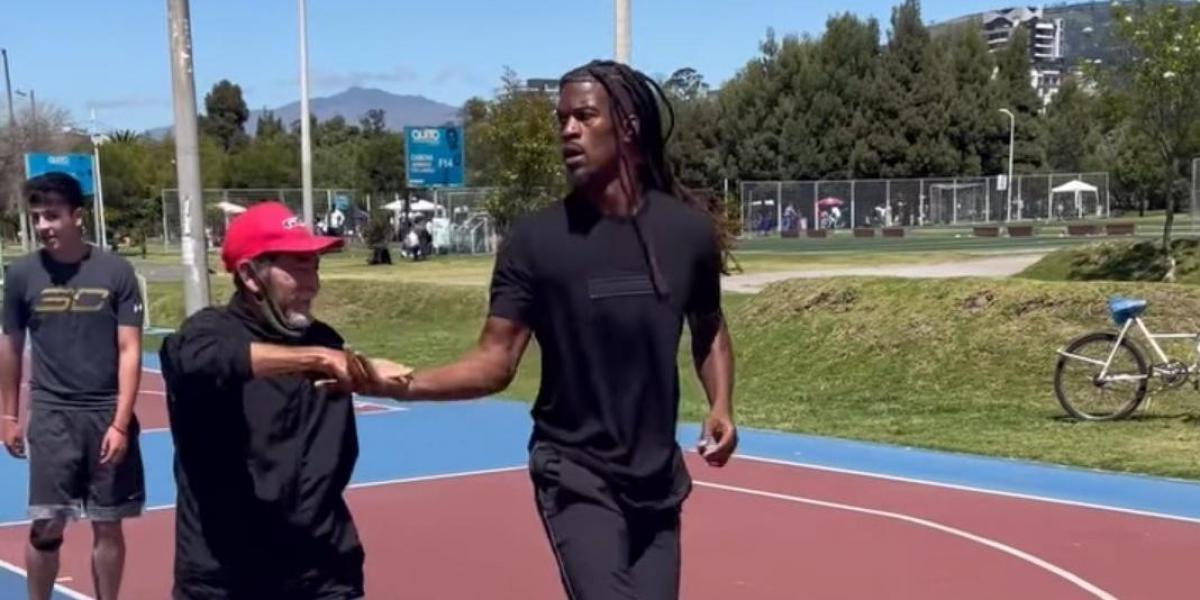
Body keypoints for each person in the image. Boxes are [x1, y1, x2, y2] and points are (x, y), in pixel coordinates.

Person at [376, 59, 739, 599]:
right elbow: (495, 362)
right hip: (575, 470)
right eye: (562, 119)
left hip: (657, 478)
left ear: (629, 125)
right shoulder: (535, 242)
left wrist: (721, 405)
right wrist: (395, 384)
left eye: (585, 116)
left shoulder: (685, 233)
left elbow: (708, 326)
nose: (568, 130)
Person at [158, 201, 407, 599]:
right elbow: (201, 360)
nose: (312, 283)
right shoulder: (207, 334)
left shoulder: (325, 339)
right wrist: (319, 360)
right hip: (227, 576)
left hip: (321, 568)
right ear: (250, 275)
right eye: (297, 266)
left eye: (315, 266)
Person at [0, 172, 146, 600]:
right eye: (37, 217)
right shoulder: (22, 275)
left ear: (76, 216)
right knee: (46, 526)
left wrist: (120, 423)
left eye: (52, 215)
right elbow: (10, 348)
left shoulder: (115, 271)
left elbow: (130, 350)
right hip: (51, 418)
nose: (44, 225)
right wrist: (9, 415)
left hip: (105, 415)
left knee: (108, 523)